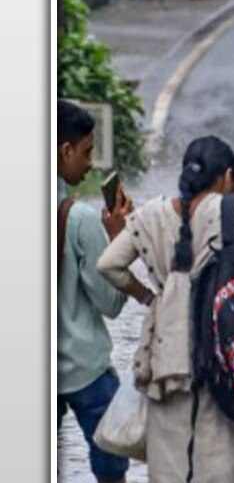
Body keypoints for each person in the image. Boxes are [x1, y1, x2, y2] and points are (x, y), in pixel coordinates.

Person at [97, 136, 234, 483]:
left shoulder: (149, 215)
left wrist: (149, 298)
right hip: (229, 353)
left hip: (166, 358)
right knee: (232, 462)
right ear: (228, 176)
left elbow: (109, 265)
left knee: (172, 462)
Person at [57, 101, 135, 483]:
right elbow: (111, 303)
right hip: (84, 368)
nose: (89, 164)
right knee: (112, 456)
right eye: (86, 152)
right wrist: (118, 239)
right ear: (65, 151)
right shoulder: (80, 218)